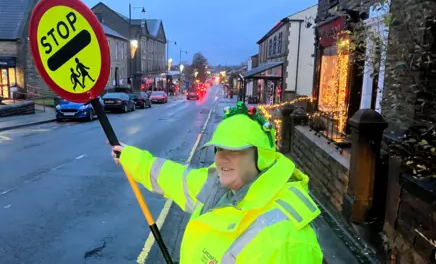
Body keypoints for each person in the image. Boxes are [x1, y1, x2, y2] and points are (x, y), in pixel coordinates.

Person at [110, 102, 323, 263]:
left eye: (234, 150)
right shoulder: (217, 186)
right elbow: (173, 177)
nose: (221, 159)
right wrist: (129, 157)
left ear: (262, 156)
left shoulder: (290, 238)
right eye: (219, 149)